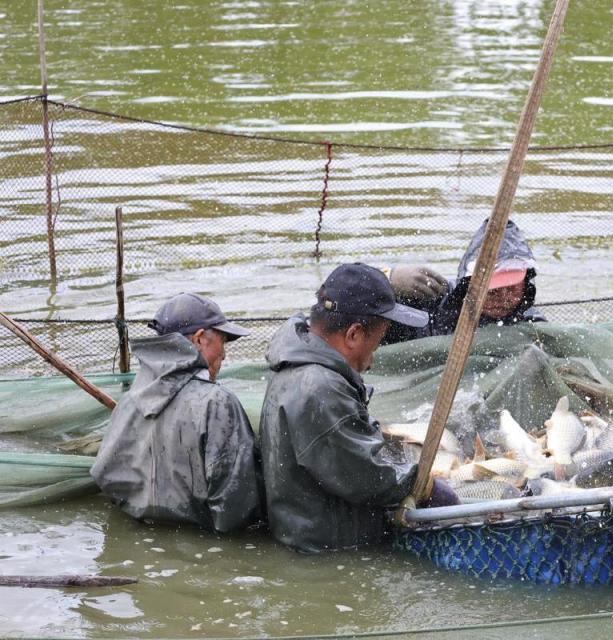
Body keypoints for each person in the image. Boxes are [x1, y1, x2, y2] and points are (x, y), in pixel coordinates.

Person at [259, 263, 459, 553]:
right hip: (328, 552)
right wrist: (426, 487)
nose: (374, 358)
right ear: (353, 334)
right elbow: (366, 476)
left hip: (306, 537)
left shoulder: (297, 365)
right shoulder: (320, 388)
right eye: (377, 343)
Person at [91, 293, 261, 533]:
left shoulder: (129, 401)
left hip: (139, 537)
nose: (224, 354)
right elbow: (235, 503)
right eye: (222, 341)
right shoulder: (217, 403)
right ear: (200, 339)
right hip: (202, 549)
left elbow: (105, 473)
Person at [382, 219, 545, 344]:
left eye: (511, 290)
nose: (503, 299)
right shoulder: (430, 302)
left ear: (526, 286)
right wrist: (385, 279)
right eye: (492, 291)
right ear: (469, 284)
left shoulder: (533, 328)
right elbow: (359, 307)